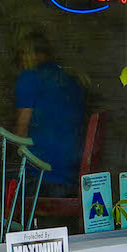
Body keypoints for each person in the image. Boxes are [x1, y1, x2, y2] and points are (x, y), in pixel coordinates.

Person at [14, 28, 85, 197]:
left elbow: (20, 135)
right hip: (72, 176)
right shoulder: (71, 80)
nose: (19, 60)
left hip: (42, 176)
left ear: (29, 53)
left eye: (21, 53)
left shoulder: (29, 78)